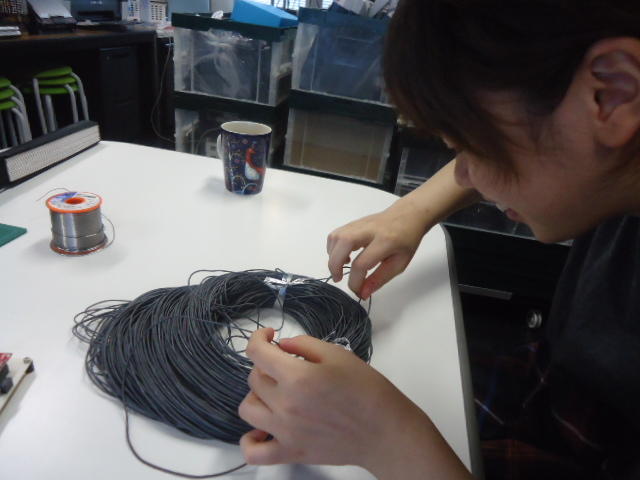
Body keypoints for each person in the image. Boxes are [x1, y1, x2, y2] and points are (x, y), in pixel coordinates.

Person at [237, 1, 640, 478]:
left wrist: (385, 438)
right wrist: (411, 212)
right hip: (559, 389)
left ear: (613, 94)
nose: (466, 177)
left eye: (474, 146)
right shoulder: (618, 171)